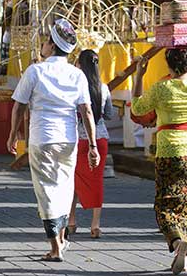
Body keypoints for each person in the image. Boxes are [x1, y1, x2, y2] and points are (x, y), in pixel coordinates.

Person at [8, 19, 99, 263]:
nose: (43, 45)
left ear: (51, 45)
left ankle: (56, 245)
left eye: (46, 41)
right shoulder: (77, 74)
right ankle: (60, 238)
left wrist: (12, 134)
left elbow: (19, 106)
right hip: (68, 140)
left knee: (46, 191)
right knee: (64, 187)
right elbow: (86, 112)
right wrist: (92, 145)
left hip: (42, 139)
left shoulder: (35, 71)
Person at [131, 40, 187, 275]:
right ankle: (185, 251)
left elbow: (138, 109)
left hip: (170, 149)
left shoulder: (162, 88)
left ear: (169, 66)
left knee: (165, 203)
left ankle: (175, 242)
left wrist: (139, 76)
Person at [68, 48, 114, 238]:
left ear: (79, 65)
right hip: (100, 139)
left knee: (73, 180)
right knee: (96, 180)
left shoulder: (73, 87)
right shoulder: (103, 88)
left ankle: (71, 221)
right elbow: (109, 114)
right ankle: (95, 224)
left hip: (78, 139)